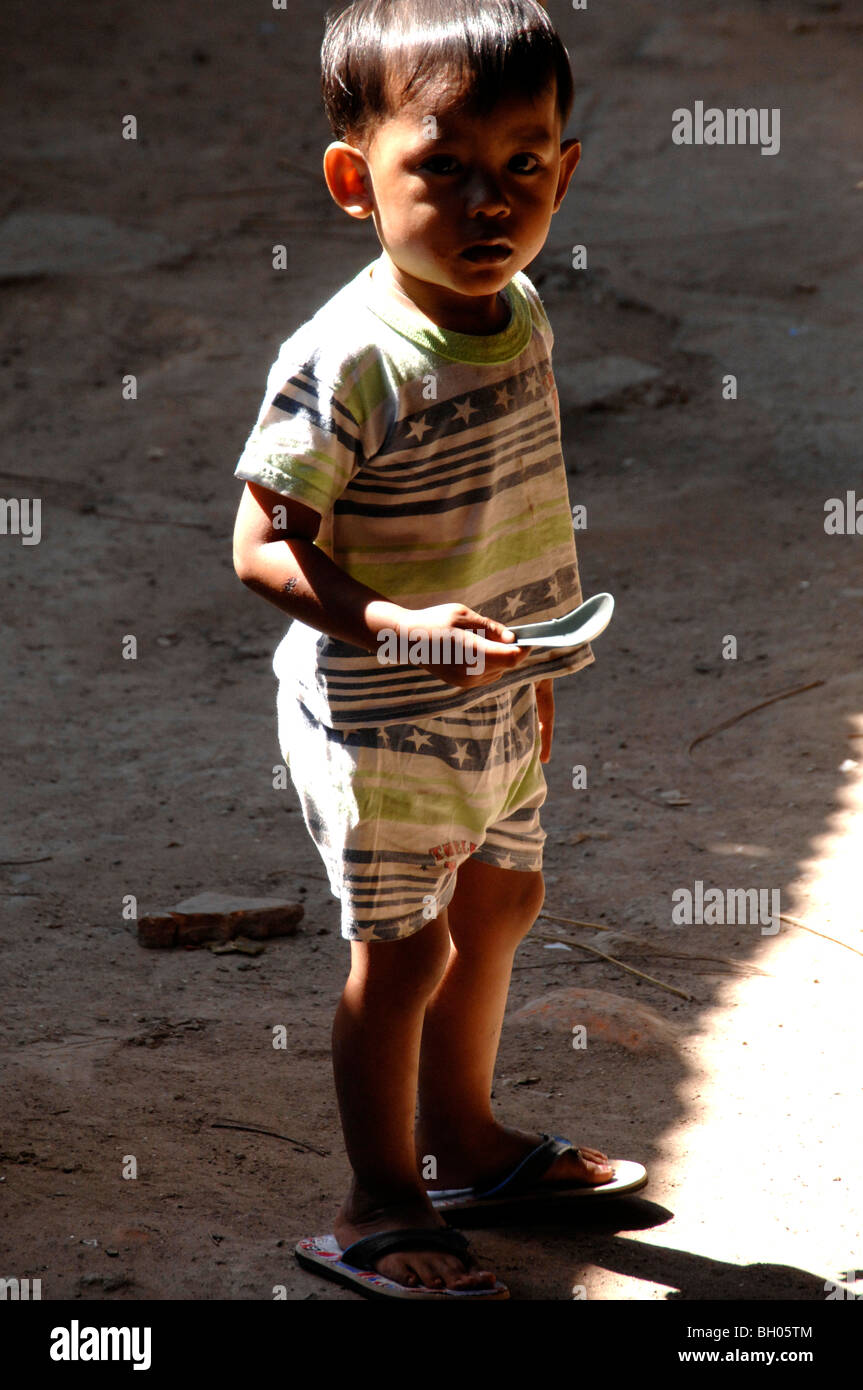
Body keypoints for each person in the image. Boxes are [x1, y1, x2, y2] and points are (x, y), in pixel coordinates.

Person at [231, 0, 644, 1300]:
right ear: (356, 180)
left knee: (501, 903)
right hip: (377, 711)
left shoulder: (517, 310)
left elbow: (508, 514)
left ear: (565, 171)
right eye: (444, 167)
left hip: (500, 696)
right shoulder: (346, 358)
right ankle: (378, 1197)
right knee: (405, 952)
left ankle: (465, 1142)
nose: (492, 202)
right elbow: (257, 541)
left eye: (524, 166)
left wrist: (534, 684)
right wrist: (394, 621)